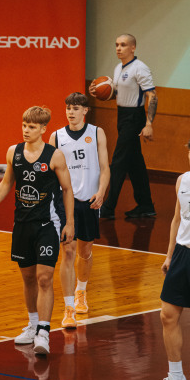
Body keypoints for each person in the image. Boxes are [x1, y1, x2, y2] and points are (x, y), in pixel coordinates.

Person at [0, 106, 74, 355]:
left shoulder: (55, 156)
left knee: (44, 277)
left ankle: (44, 333)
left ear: (43, 129)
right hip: (22, 225)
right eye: (24, 125)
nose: (26, 130)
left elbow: (67, 190)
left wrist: (69, 222)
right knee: (28, 279)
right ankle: (33, 324)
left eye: (32, 127)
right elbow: (6, 184)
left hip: (47, 225)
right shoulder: (12, 152)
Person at [147, 133, 190, 380]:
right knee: (168, 315)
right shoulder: (182, 181)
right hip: (181, 254)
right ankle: (176, 379)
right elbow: (176, 218)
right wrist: (169, 255)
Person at [49, 92, 110, 326]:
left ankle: (81, 290)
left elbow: (105, 167)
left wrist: (101, 191)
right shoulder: (56, 136)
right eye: (68, 108)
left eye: (75, 108)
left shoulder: (97, 133)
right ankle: (69, 308)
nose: (70, 112)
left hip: (89, 200)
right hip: (66, 202)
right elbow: (52, 172)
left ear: (85, 111)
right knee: (68, 252)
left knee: (85, 252)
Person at [89, 34, 158, 219]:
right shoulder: (118, 68)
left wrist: (148, 124)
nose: (118, 48)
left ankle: (107, 207)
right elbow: (117, 95)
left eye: (123, 45)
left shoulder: (140, 68)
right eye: (117, 45)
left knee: (118, 162)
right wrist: (99, 93)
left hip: (134, 118)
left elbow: (152, 96)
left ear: (133, 48)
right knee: (135, 163)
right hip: (122, 116)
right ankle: (146, 205)